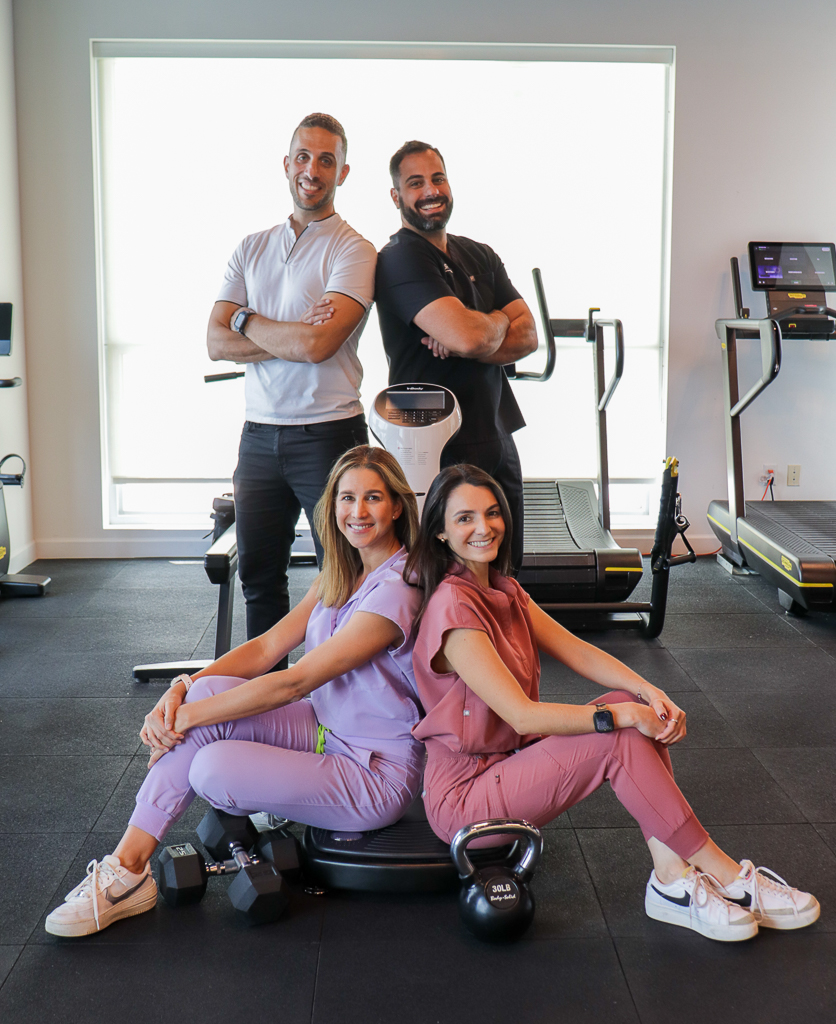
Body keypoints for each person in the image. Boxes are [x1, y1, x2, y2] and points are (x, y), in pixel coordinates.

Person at [405, 464, 820, 941]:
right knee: (616, 734)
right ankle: (730, 877)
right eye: (465, 518)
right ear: (439, 531)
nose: (484, 527)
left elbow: (576, 650)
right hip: (466, 796)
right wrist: (624, 715)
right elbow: (521, 713)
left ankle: (672, 880)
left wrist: (647, 692)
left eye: (493, 513)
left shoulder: (502, 588)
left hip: (507, 761)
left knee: (623, 706)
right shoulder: (453, 608)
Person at [46, 447, 423, 938]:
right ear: (332, 506)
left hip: (375, 771)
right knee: (210, 694)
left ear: (396, 506)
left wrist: (184, 719)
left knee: (210, 764)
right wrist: (184, 690)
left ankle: (133, 864)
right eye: (346, 498)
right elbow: (267, 647)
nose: (357, 511)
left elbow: (294, 680)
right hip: (325, 727)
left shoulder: (398, 588)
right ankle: (128, 870)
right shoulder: (344, 573)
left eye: (373, 497)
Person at [207, 112, 375, 646]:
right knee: (259, 579)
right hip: (258, 436)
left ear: (343, 172)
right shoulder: (250, 247)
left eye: (327, 160)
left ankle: (342, 710)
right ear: (287, 164)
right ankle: (267, 704)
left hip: (330, 434)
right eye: (303, 157)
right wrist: (285, 335)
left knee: (345, 579)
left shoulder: (353, 249)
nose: (313, 169)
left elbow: (318, 344)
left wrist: (243, 319)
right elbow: (214, 343)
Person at [373, 140, 538, 571]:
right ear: (396, 197)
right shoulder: (397, 259)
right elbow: (468, 336)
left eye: (438, 178)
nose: (431, 190)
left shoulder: (478, 253)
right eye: (415, 183)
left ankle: (504, 640)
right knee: (449, 571)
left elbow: (530, 334)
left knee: (505, 565)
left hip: (494, 426)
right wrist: (493, 322)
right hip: (432, 437)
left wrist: (480, 331)